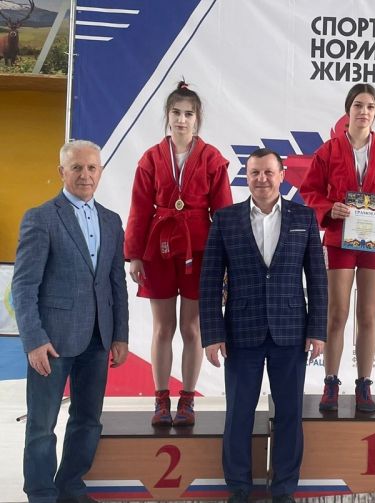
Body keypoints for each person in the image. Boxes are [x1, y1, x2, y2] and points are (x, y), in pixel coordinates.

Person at [199, 148, 327, 503]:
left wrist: (317, 329)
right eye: (254, 172)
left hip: (291, 331)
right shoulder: (225, 219)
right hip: (241, 332)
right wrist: (212, 334)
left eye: (269, 172)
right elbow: (210, 281)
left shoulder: (304, 216)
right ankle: (238, 489)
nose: (262, 179)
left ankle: (283, 489)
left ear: (282, 175)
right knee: (238, 415)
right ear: (246, 176)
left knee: (289, 415)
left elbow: (318, 278)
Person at [12, 140, 129, 503]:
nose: (85, 174)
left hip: (98, 339)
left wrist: (120, 335)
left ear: (100, 172)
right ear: (61, 172)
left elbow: (116, 283)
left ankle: (70, 487)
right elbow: (23, 285)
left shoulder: (112, 221)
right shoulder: (41, 217)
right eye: (77, 167)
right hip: (52, 342)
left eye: (92, 167)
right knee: (42, 426)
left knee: (88, 421)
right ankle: (41, 494)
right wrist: (34, 340)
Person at [126, 81, 232, 427]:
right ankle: (161, 399)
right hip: (158, 249)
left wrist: (225, 260)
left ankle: (187, 399)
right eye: (176, 113)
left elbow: (224, 213)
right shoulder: (151, 158)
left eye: (188, 114)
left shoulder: (212, 158)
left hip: (199, 251)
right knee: (163, 328)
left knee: (191, 327)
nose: (182, 120)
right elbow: (140, 209)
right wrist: (134, 254)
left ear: (197, 118)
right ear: (167, 116)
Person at [299, 83, 375, 413]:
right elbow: (309, 192)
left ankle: (364, 384)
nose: (364, 111)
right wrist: (328, 208)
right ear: (347, 111)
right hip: (339, 240)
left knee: (368, 314)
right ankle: (330, 382)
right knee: (337, 313)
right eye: (358, 105)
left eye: (370, 106)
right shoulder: (329, 150)